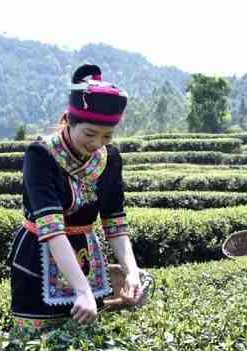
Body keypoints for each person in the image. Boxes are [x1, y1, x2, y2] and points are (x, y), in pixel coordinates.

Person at [7, 64, 144, 331]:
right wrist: (83, 290)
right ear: (68, 121)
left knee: (86, 341)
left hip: (86, 255)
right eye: (90, 134)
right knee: (37, 343)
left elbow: (115, 224)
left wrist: (132, 270)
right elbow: (52, 228)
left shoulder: (110, 159)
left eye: (107, 136)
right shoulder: (41, 155)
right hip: (40, 253)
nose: (97, 143)